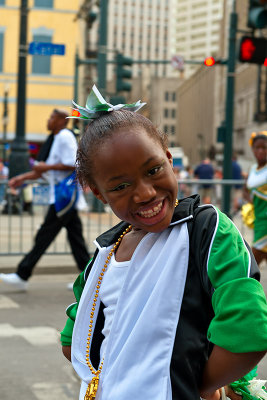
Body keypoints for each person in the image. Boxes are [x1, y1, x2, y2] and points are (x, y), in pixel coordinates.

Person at [61, 86, 267, 400]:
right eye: (120, 186)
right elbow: (73, 340)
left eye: (154, 170)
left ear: (169, 160)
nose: (144, 193)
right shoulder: (102, 256)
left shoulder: (207, 230)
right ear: (99, 193)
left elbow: (249, 332)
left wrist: (192, 385)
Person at [0, 109, 90, 291]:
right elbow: (44, 170)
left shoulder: (64, 136)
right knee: (76, 240)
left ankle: (22, 274)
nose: (48, 121)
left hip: (63, 198)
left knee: (45, 236)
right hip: (60, 197)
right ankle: (91, 279)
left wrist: (45, 166)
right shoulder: (56, 138)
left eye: (51, 117)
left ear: (61, 121)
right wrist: (22, 178)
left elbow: (73, 163)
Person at [243, 131, 267, 266]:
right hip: (258, 219)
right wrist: (251, 200)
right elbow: (245, 189)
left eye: (264, 147)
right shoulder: (252, 169)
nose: (260, 151)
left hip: (265, 221)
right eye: (257, 147)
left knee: (251, 264)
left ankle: (242, 286)